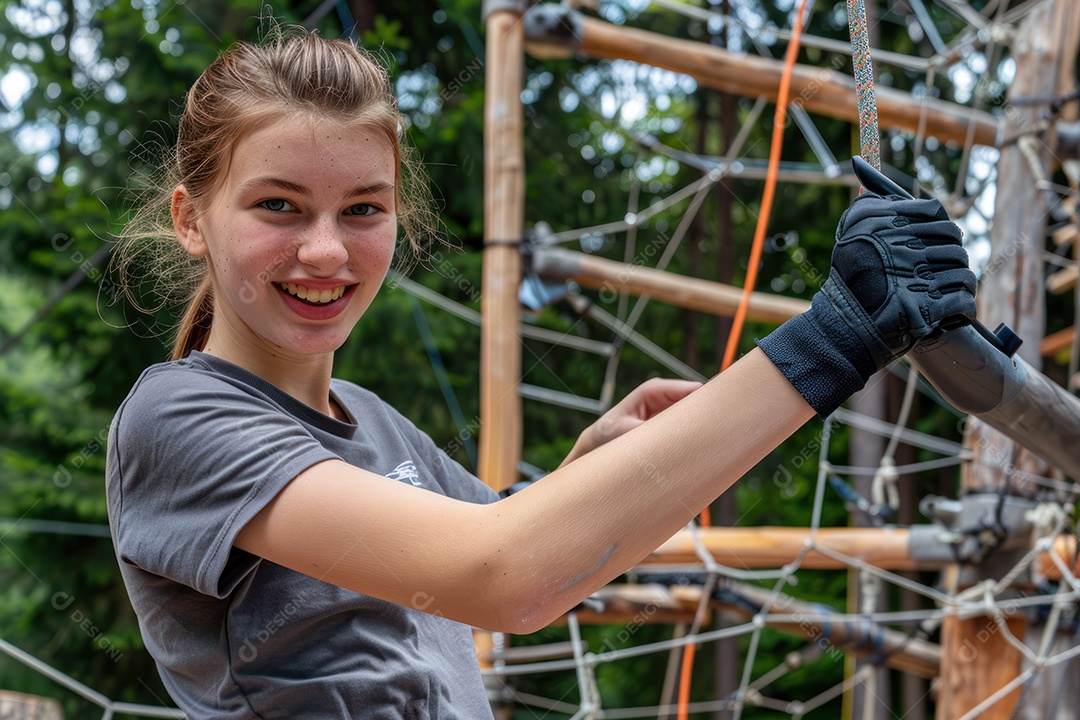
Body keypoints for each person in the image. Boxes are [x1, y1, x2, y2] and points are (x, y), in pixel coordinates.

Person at [105, 28, 976, 719]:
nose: (326, 248)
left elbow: (526, 552)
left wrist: (590, 463)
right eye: (277, 205)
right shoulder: (179, 419)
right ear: (190, 218)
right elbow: (504, 577)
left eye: (363, 208)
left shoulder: (368, 422)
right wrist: (834, 340)